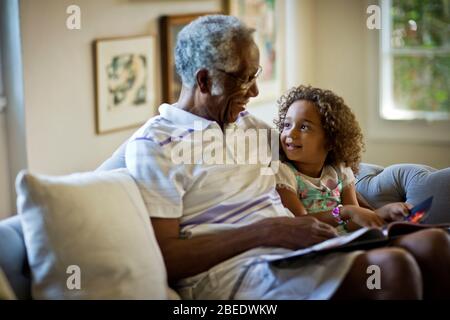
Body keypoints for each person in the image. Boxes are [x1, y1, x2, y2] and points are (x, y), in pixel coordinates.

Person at [118, 15, 449, 299]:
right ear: (204, 80)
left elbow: (320, 162)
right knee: (393, 270)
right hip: (232, 275)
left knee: (433, 244)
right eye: (244, 78)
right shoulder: (155, 145)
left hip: (296, 251)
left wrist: (373, 213)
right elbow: (166, 257)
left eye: (256, 75)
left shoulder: (252, 127)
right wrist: (266, 232)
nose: (255, 92)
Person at [274, 85, 412, 233]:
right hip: (314, 243)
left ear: (330, 140)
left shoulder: (339, 170)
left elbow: (356, 221)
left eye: (304, 127)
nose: (290, 133)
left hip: (349, 240)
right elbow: (300, 222)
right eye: (287, 125)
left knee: (430, 238)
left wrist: (384, 213)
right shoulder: (284, 173)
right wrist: (344, 212)